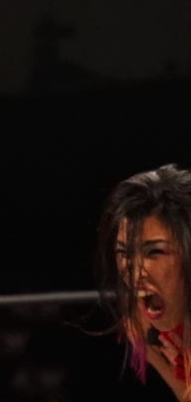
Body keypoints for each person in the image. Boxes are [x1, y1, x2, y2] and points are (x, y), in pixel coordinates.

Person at [95, 162, 191, 400]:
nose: (135, 273)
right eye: (123, 253)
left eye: (154, 252)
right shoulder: (145, 322)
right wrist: (153, 355)